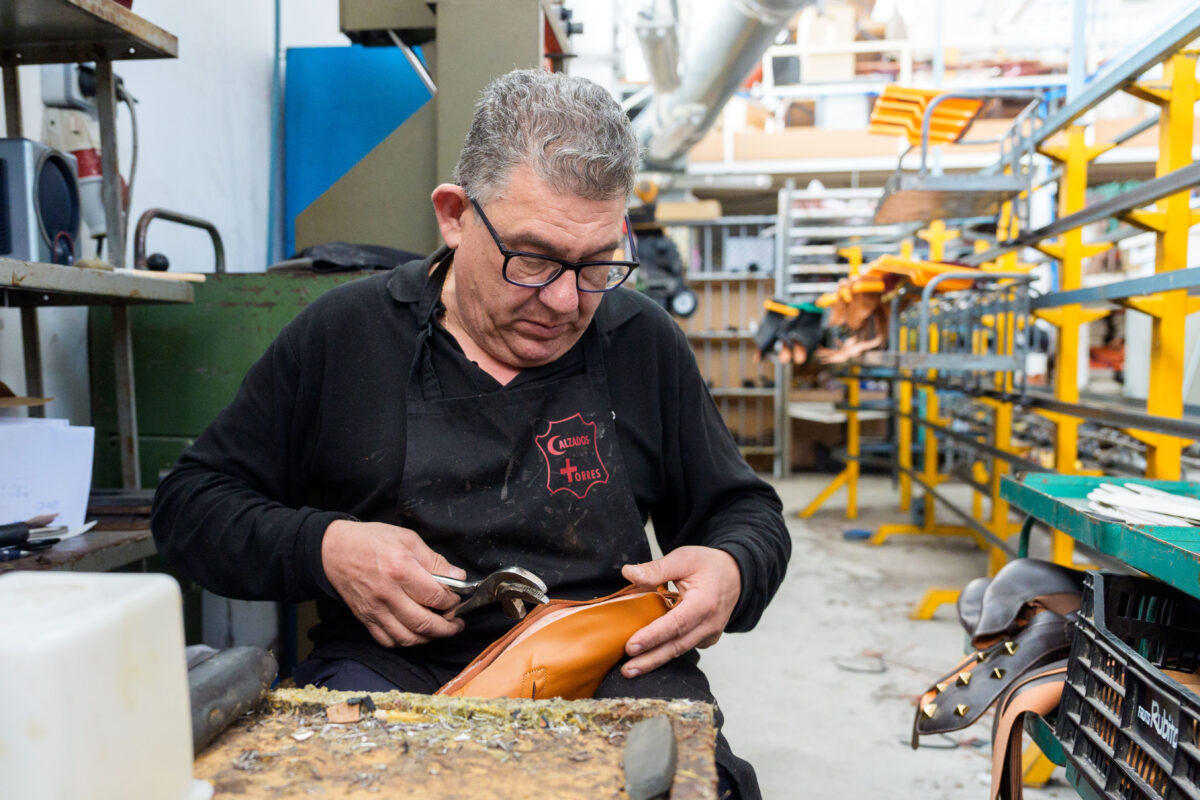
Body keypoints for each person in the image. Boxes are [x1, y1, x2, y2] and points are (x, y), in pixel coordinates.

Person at [152, 68, 790, 799]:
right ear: (455, 215)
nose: (562, 300)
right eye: (534, 260)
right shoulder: (345, 337)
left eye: (594, 266)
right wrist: (324, 547)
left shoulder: (640, 340)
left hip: (614, 670)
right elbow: (189, 507)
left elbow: (747, 515)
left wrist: (733, 569)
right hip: (394, 676)